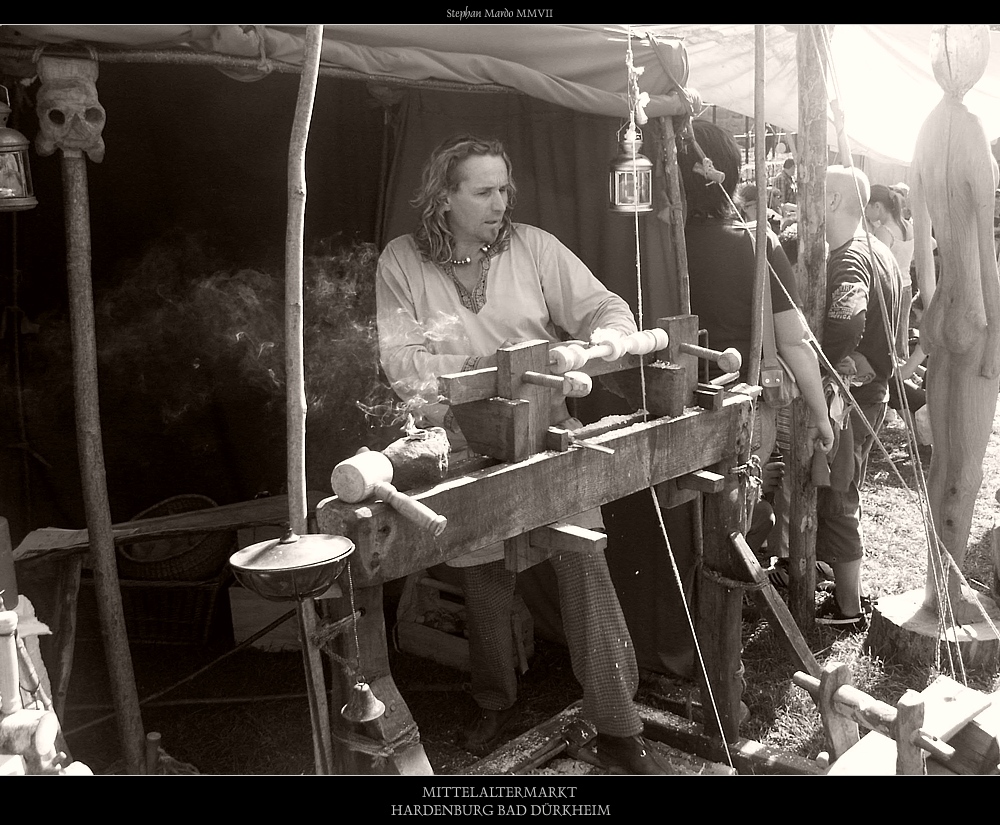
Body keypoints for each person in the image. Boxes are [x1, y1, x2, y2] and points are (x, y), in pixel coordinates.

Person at [375, 134, 671, 774]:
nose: (499, 202)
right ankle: (496, 698)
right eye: (482, 191)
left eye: (504, 188)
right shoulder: (402, 260)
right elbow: (400, 362)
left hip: (547, 431)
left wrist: (611, 342)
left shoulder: (532, 247)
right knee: (484, 576)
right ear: (444, 196)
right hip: (461, 438)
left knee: (582, 564)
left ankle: (620, 728)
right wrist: (492, 369)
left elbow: (603, 306)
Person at [678, 120, 833, 473]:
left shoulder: (654, 245)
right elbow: (794, 343)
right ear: (729, 177)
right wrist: (821, 416)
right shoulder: (757, 244)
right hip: (741, 408)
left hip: (667, 408)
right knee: (735, 516)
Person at [816, 165, 904, 631]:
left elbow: (848, 320)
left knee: (838, 496)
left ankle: (849, 608)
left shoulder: (849, 256)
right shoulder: (883, 252)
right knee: (843, 491)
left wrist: (824, 361)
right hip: (873, 392)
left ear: (831, 200)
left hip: (852, 397)